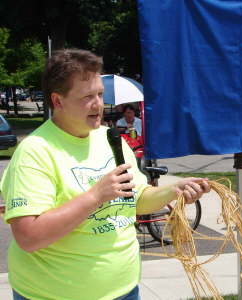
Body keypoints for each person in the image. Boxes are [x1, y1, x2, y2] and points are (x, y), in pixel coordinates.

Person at [0, 49, 210, 300]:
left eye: (100, 94)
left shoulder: (110, 139)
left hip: (124, 290)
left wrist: (174, 190)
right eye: (87, 96)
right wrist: (95, 196)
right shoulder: (34, 152)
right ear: (58, 101)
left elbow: (137, 198)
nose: (99, 103)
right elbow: (29, 237)